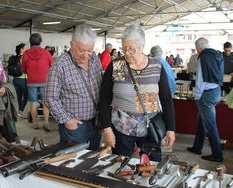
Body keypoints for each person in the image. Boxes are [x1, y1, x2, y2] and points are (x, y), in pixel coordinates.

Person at [98, 24, 175, 161]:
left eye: (131, 49)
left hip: (151, 128)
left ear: (142, 47)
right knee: (121, 166)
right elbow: (104, 98)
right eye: (124, 48)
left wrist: (171, 128)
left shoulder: (156, 66)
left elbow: (166, 99)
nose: (127, 53)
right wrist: (107, 129)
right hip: (121, 129)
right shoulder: (116, 66)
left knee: (151, 166)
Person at [44, 24, 102, 150]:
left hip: (96, 122)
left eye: (90, 50)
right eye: (81, 50)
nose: (86, 55)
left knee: (93, 159)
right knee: (74, 163)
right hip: (75, 127)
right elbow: (50, 97)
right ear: (72, 44)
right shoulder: (59, 66)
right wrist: (67, 120)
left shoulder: (95, 60)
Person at [187, 37, 224, 162]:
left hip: (206, 94)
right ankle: (197, 147)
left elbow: (200, 80)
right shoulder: (217, 54)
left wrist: (197, 96)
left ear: (198, 47)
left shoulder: (203, 57)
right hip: (216, 91)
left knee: (210, 125)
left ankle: (217, 154)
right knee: (201, 121)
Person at [22, 33, 53, 131]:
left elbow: (23, 69)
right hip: (45, 81)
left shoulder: (26, 54)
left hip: (31, 81)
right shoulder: (46, 53)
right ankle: (46, 122)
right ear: (40, 41)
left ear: (30, 42)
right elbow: (52, 65)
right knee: (45, 102)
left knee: (33, 103)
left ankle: (35, 123)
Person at [12, 43, 28, 118]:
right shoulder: (24, 57)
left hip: (15, 79)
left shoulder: (14, 57)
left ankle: (17, 112)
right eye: (25, 48)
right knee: (26, 96)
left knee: (18, 96)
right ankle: (20, 111)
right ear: (21, 49)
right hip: (23, 79)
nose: (27, 49)